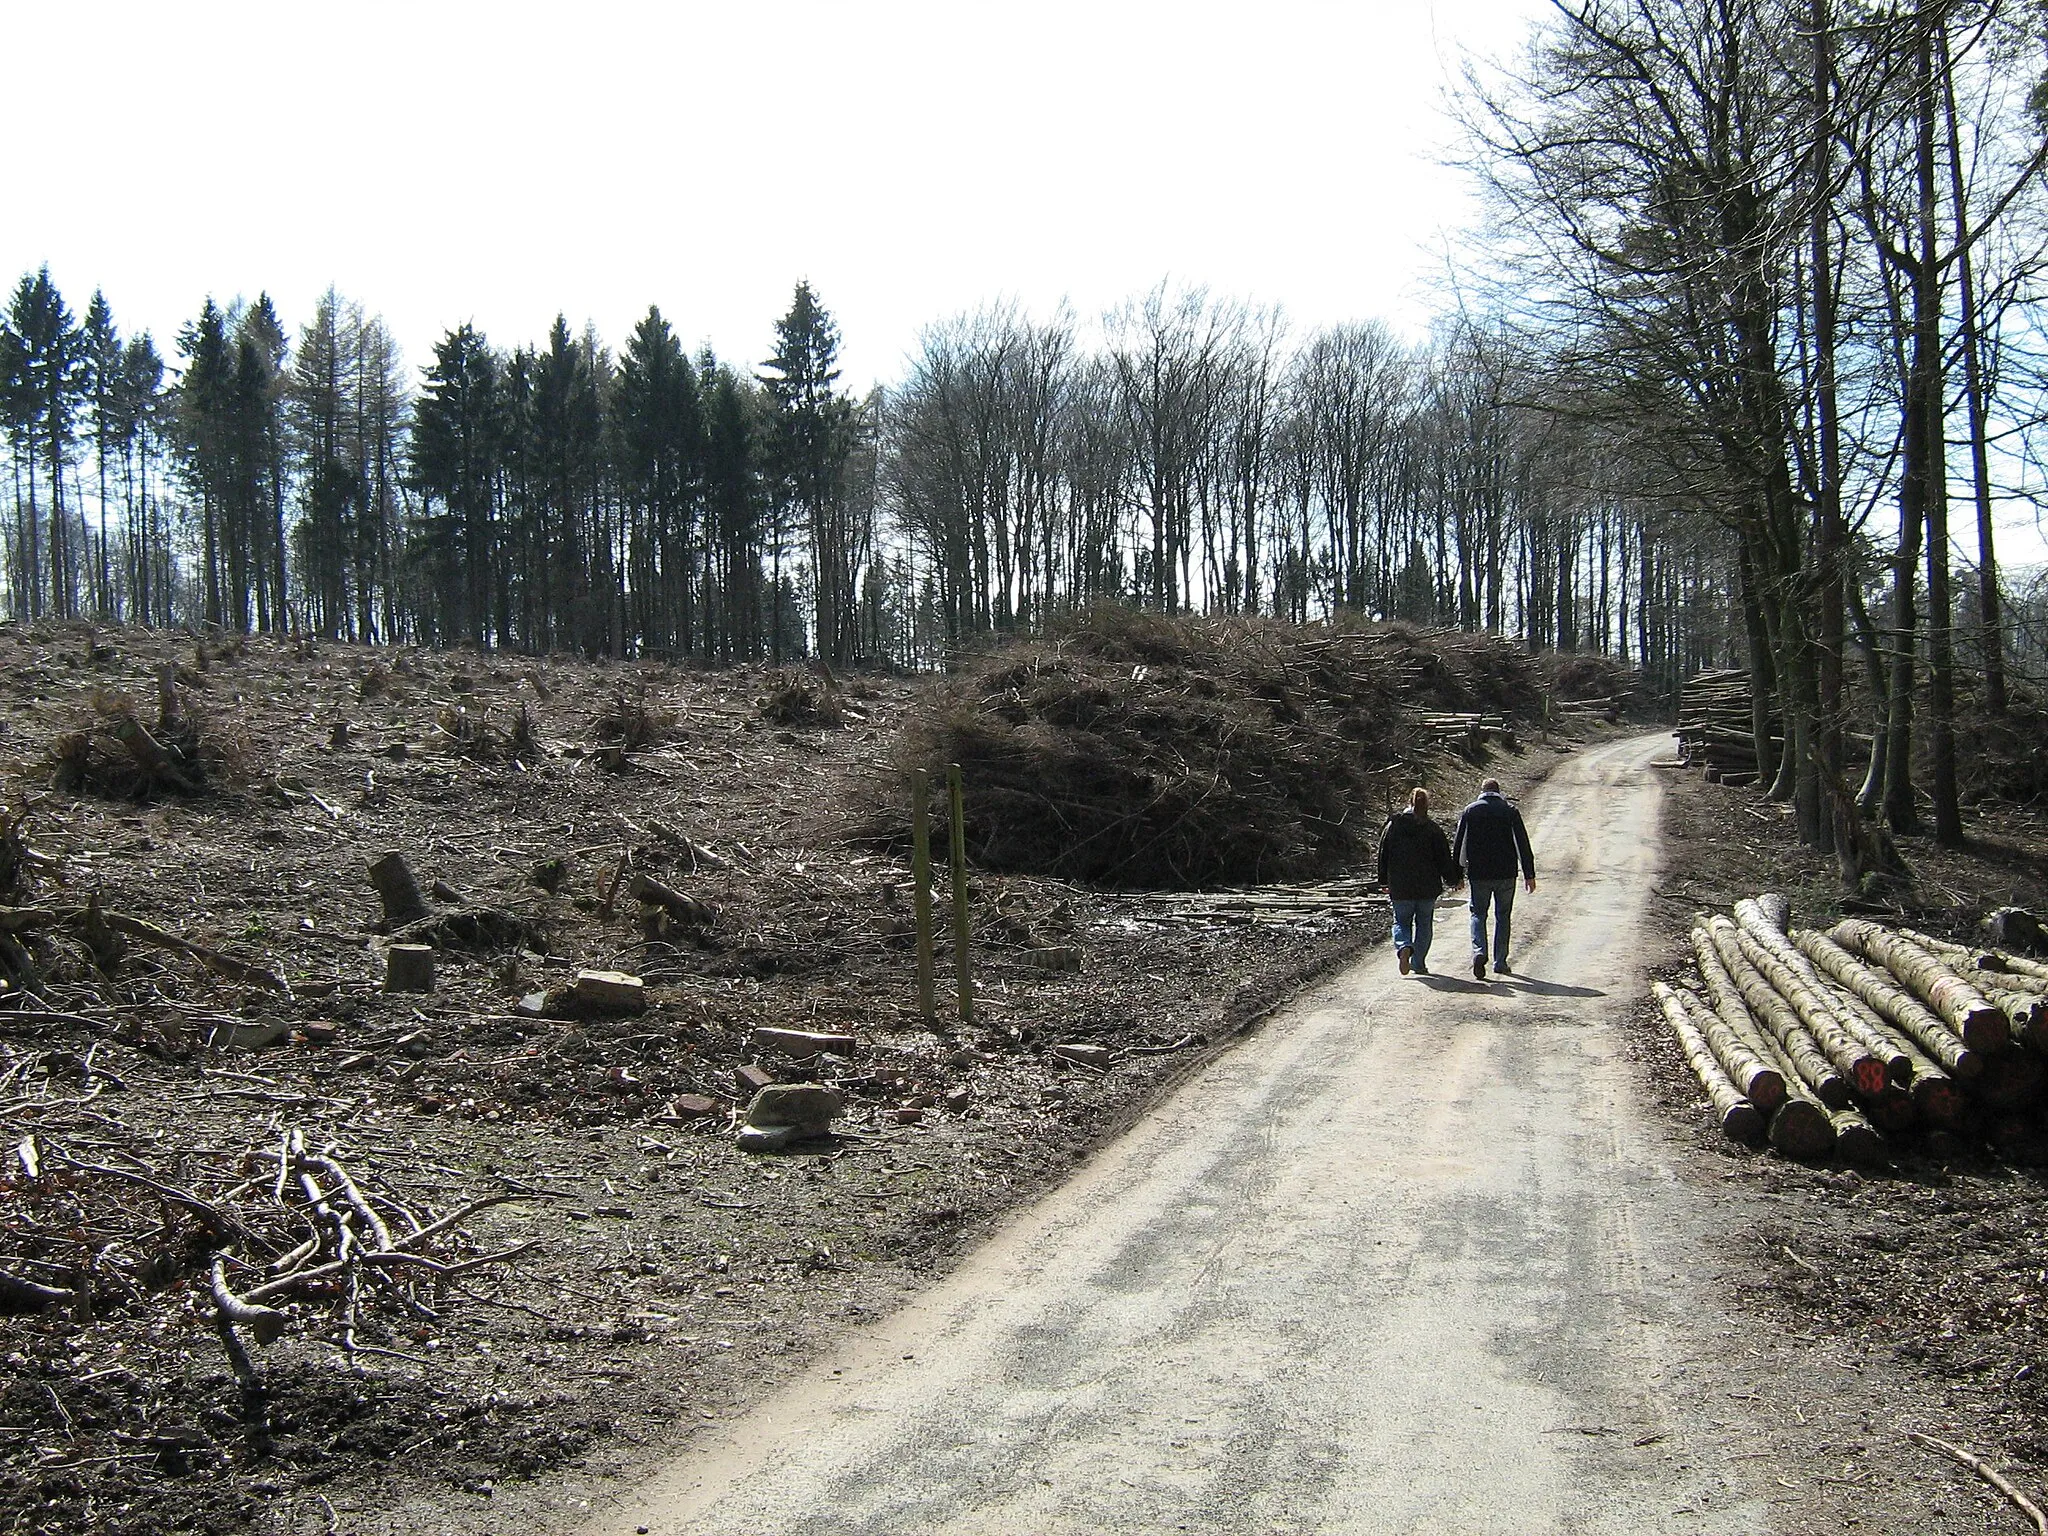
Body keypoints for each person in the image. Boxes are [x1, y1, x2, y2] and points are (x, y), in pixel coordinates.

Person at [1452, 777, 1536, 981]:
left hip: (1479, 874)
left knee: (1478, 914)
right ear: (1499, 791)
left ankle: (1479, 951)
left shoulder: (1470, 811)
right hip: (1505, 874)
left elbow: (1460, 845)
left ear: (1482, 791)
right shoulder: (1510, 811)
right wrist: (1529, 874)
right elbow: (1522, 844)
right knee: (1503, 916)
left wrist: (1457, 875)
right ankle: (1500, 962)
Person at [1375, 787, 1460, 976]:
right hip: (1427, 888)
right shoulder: (1432, 829)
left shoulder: (1394, 826)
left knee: (1401, 922)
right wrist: (1452, 879)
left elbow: (1383, 854)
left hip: (1400, 886)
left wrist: (1383, 880)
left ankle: (1404, 945)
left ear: (1409, 802)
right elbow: (1444, 858)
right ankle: (1419, 963)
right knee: (1424, 924)